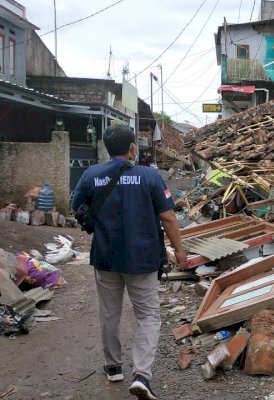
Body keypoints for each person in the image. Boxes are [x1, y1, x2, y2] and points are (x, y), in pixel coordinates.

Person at [71, 125, 186, 400]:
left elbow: (77, 206)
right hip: (142, 258)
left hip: (106, 257)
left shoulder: (91, 175)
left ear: (107, 148)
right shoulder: (149, 176)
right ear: (133, 148)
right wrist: (180, 251)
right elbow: (168, 217)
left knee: (110, 313)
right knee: (148, 316)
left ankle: (113, 368)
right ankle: (142, 375)